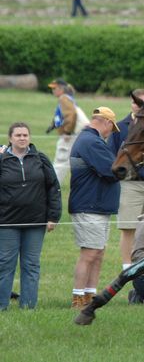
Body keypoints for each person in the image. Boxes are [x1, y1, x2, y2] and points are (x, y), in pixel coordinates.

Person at [0, 123, 61, 310]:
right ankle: (2, 306)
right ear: (10, 138)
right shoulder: (2, 160)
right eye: (18, 135)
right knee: (5, 265)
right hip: (7, 223)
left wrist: (53, 216)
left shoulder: (40, 159)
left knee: (31, 265)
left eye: (25, 134)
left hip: (35, 222)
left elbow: (53, 187)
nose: (22, 138)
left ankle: (28, 306)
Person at [69, 107, 121, 309]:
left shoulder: (91, 140)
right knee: (89, 254)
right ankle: (78, 299)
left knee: (98, 253)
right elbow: (112, 171)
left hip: (97, 206)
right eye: (111, 128)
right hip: (89, 205)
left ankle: (89, 296)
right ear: (106, 122)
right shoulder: (91, 142)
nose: (110, 132)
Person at [108, 90, 144, 271]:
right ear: (131, 104)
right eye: (136, 103)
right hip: (130, 185)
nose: (139, 107)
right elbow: (113, 155)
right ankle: (127, 266)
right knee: (128, 227)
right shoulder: (120, 127)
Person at [47, 78, 79, 184]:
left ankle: (53, 184)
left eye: (54, 88)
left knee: (61, 161)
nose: (53, 91)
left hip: (68, 135)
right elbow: (61, 115)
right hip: (70, 134)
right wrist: (53, 125)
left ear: (61, 89)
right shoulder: (66, 98)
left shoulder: (64, 98)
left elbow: (71, 115)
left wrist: (67, 132)